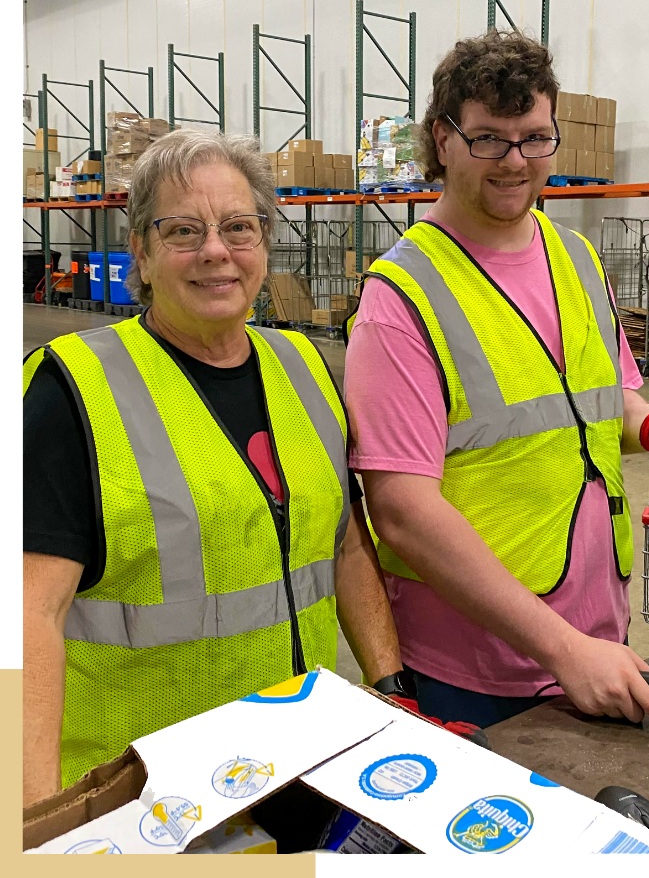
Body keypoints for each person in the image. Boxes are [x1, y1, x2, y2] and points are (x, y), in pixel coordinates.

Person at [343, 30, 649, 729]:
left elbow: (606, 402)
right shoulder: (400, 299)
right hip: (481, 669)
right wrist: (562, 648)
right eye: (488, 140)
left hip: (600, 639)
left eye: (535, 138)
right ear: (441, 140)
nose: (515, 162)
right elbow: (404, 513)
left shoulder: (575, 257)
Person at [23, 130, 410, 807]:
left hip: (296, 767)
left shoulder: (305, 369)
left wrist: (390, 686)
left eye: (239, 227)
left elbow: (344, 544)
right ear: (140, 251)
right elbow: (29, 614)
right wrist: (30, 823)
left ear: (263, 241)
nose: (215, 251)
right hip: (141, 797)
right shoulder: (71, 392)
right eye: (181, 230)